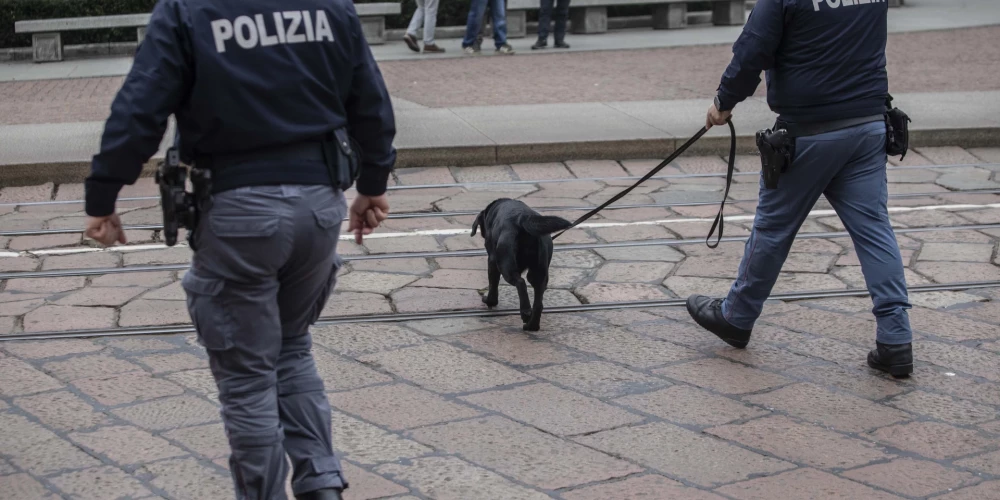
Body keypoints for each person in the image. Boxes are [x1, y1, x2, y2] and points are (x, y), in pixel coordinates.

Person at [82, 0, 396, 498]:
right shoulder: (330, 5)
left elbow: (140, 108)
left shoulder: (187, 9)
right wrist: (374, 182)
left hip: (237, 210)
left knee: (248, 380)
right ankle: (322, 486)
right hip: (318, 203)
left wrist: (103, 194)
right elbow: (370, 101)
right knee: (292, 348)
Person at [686, 0, 914, 377]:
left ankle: (736, 316)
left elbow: (752, 50)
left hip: (810, 132)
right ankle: (896, 339)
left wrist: (723, 102)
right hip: (868, 124)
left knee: (773, 230)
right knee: (875, 230)